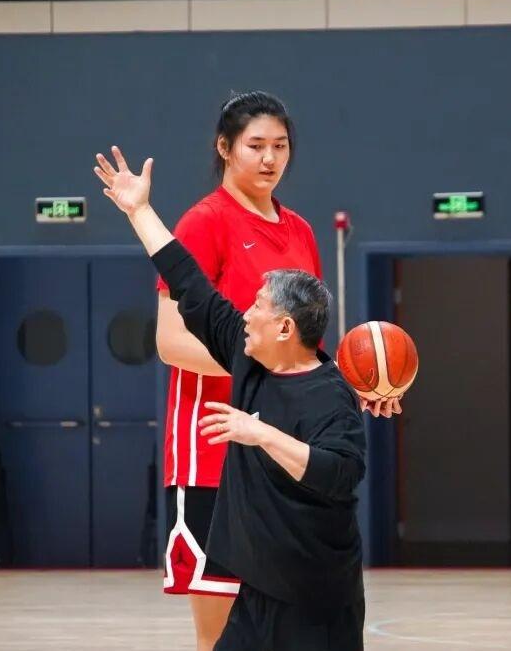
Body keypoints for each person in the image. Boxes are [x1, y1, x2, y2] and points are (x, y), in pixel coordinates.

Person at [94, 92, 397, 650]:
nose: (269, 158)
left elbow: (303, 348)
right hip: (213, 446)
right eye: (255, 145)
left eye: (280, 146)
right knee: (223, 628)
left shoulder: (301, 230)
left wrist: (352, 386)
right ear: (224, 148)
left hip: (284, 443)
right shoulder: (205, 221)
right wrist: (257, 369)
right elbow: (171, 341)